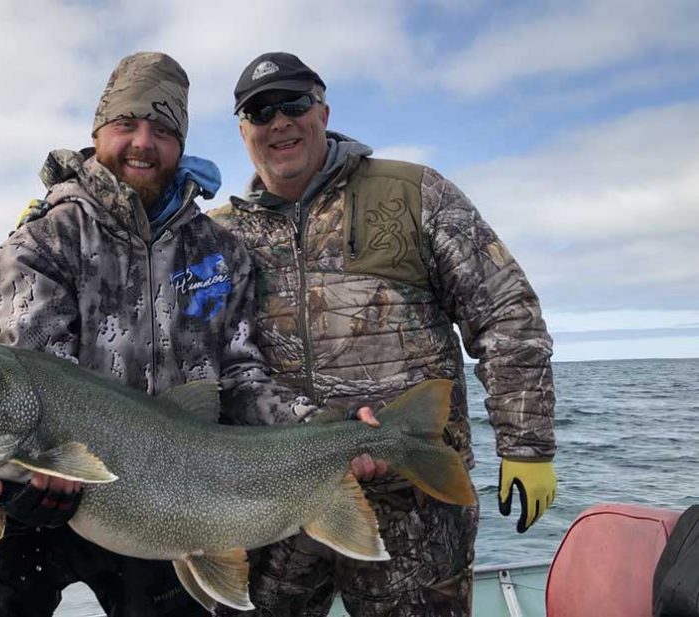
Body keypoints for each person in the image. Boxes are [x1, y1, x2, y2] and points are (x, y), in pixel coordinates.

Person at [0, 51, 368, 617]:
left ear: (180, 145)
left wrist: (322, 431)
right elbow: (37, 384)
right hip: (47, 492)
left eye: (163, 130)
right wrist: (31, 472)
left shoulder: (219, 252)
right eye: (126, 124)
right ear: (97, 132)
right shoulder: (40, 243)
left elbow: (241, 378)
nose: (143, 142)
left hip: (166, 503)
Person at [209, 52, 558, 616]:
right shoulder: (220, 236)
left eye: (294, 104)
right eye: (260, 112)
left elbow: (505, 312)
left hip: (412, 500)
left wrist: (527, 445)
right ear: (243, 130)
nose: (279, 122)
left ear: (323, 112)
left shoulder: (414, 193)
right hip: (274, 502)